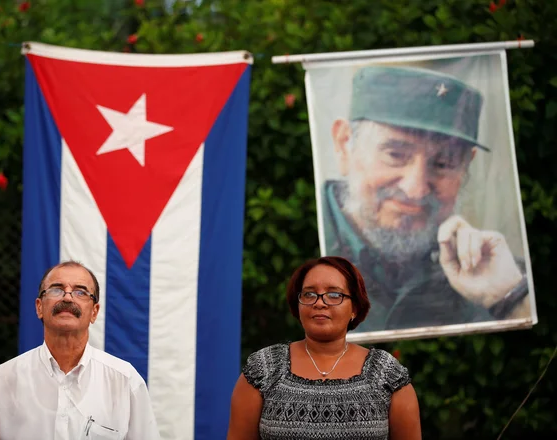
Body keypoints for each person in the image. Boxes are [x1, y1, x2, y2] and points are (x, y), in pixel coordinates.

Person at [322, 65, 530, 332]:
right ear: (344, 144)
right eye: (395, 155)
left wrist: (509, 296)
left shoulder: (497, 274)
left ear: (466, 166)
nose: (416, 190)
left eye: (443, 163)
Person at [227, 256, 421, 440]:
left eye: (334, 294)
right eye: (309, 294)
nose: (319, 303)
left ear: (354, 308)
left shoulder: (386, 373)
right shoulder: (263, 369)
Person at [0, 260, 161, 440]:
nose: (68, 297)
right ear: (39, 307)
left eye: (80, 292)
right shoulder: (0, 380)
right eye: (57, 290)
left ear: (94, 312)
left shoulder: (125, 381)